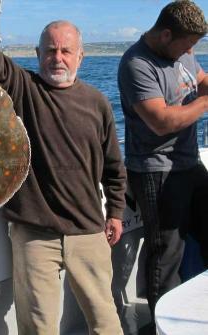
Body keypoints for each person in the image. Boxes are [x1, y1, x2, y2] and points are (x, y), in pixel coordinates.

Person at [0, 1, 126, 334]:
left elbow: (113, 165)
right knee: (38, 327)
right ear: (37, 53)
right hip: (34, 234)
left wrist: (115, 211)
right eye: (50, 50)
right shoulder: (23, 88)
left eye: (67, 51)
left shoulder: (97, 102)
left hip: (88, 230)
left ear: (81, 56)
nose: (58, 57)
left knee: (106, 321)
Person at [118, 0, 208, 333]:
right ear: (166, 34)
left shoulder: (181, 53)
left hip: (189, 164)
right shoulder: (136, 64)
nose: (191, 51)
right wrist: (206, 101)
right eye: (188, 44)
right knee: (166, 254)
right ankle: (162, 328)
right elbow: (162, 122)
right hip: (155, 170)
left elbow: (201, 80)